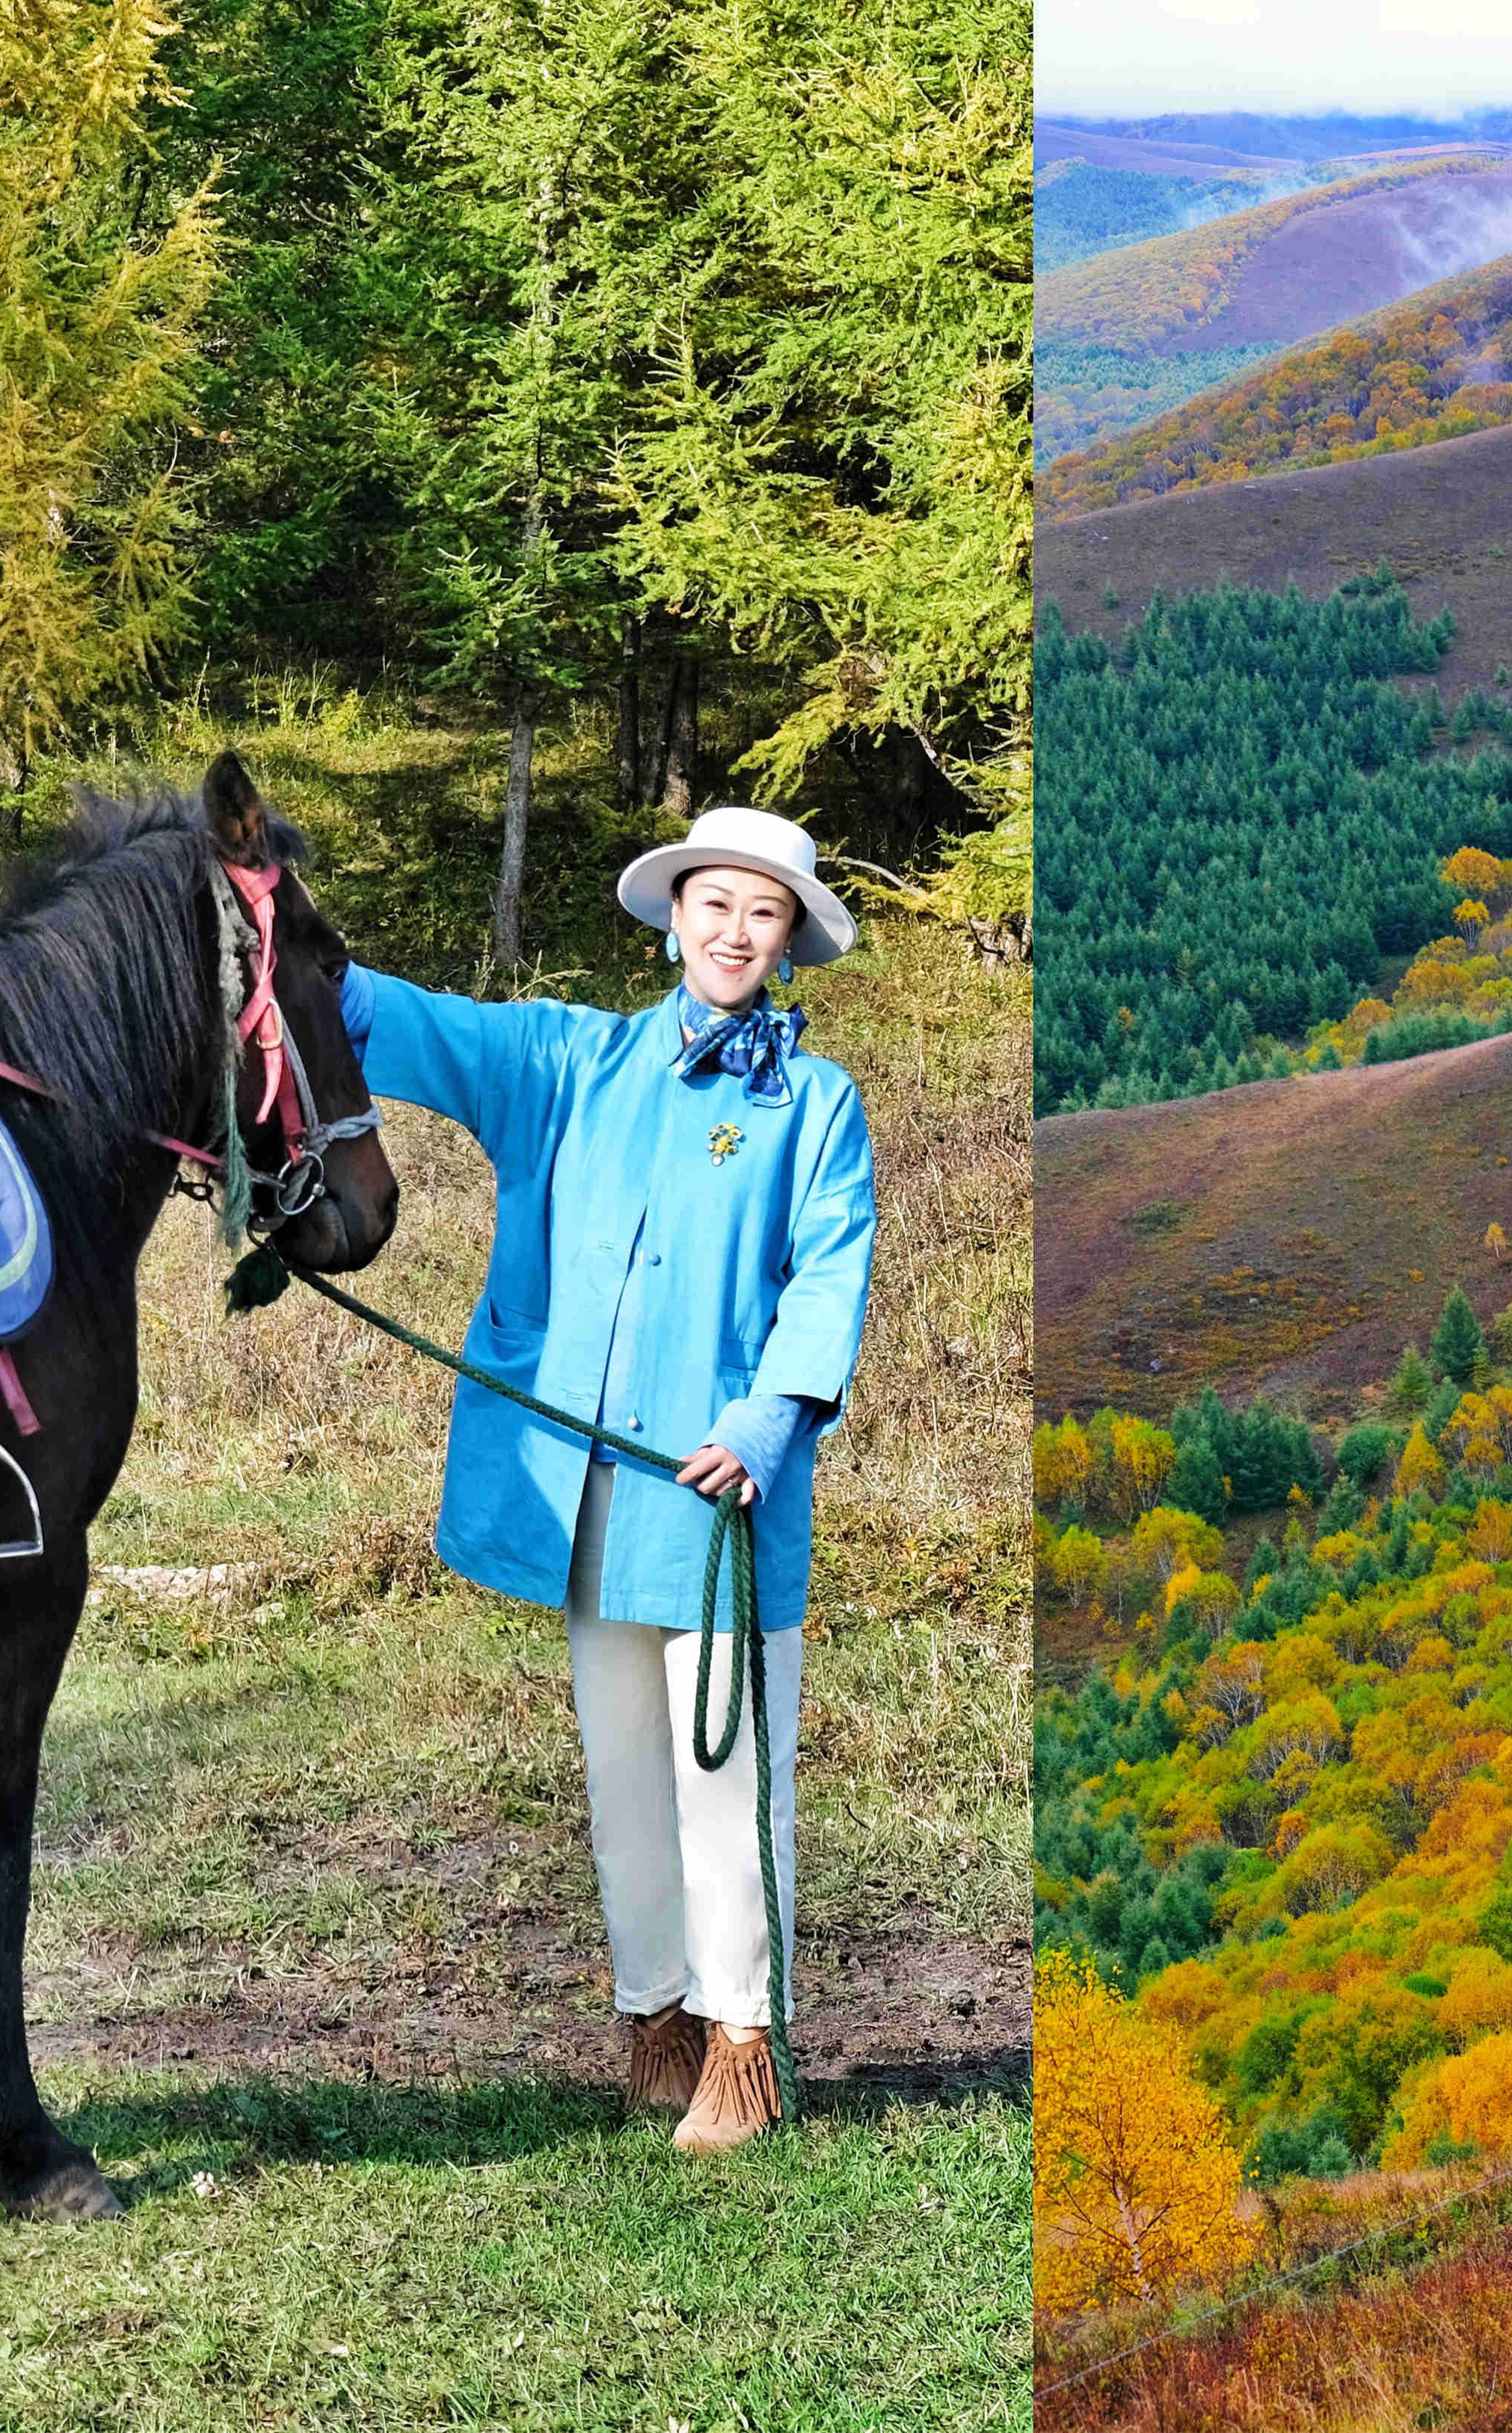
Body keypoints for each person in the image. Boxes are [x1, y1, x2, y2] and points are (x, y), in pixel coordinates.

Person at [339, 807, 875, 2152]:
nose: (736, 932)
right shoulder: (574, 1061)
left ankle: (745, 2044)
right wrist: (268, 929)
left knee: (730, 1771)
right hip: (587, 1499)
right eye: (717, 905)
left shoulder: (816, 1105)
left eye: (764, 913)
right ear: (676, 913)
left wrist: (761, 1429)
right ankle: (657, 2024)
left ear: (790, 938)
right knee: (622, 1767)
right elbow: (414, 1022)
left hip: (718, 1506)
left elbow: (829, 1272)